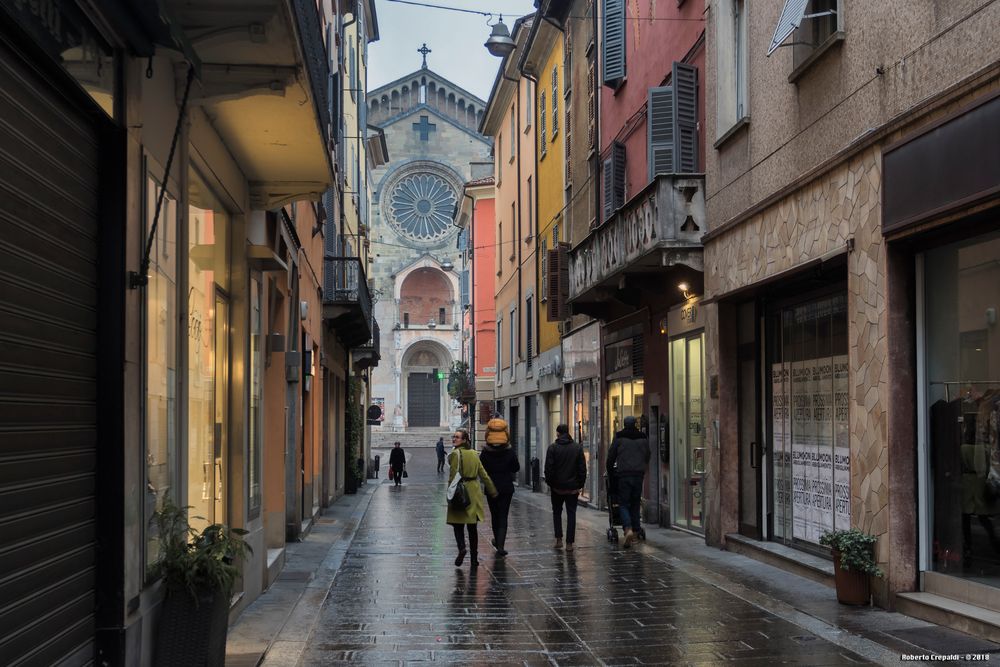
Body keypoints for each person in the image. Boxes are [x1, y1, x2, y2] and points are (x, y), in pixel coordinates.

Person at [447, 429, 497, 568]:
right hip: (473, 492)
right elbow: (483, 474)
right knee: (472, 528)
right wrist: (492, 489)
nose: (454, 439)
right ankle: (474, 559)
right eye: (454, 437)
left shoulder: (456, 454)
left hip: (460, 492)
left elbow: (452, 475)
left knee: (458, 525)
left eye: (457, 437)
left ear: (464, 440)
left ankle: (462, 548)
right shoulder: (475, 454)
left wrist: (449, 493)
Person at [606, 415, 650, 548]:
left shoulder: (619, 437)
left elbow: (611, 456)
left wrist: (610, 470)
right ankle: (636, 533)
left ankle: (627, 529)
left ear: (624, 424)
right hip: (638, 474)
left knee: (623, 503)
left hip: (624, 474)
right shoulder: (643, 437)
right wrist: (642, 467)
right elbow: (648, 454)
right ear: (635, 424)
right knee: (635, 503)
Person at [544, 424, 587, 551]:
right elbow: (582, 469)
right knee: (571, 514)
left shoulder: (552, 448)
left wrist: (550, 483)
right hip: (572, 488)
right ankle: (569, 543)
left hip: (557, 488)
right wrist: (580, 484)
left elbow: (548, 469)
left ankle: (558, 540)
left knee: (557, 513)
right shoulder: (577, 448)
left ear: (558, 433)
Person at [479, 424, 519, 556]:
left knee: (494, 514)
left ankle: (497, 540)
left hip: (491, 488)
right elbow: (515, 468)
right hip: (506, 487)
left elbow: (481, 469)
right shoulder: (509, 451)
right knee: (503, 515)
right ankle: (500, 545)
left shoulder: (485, 452)